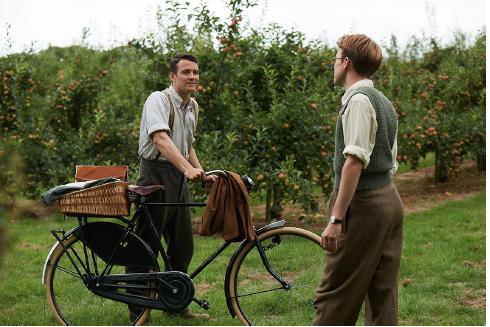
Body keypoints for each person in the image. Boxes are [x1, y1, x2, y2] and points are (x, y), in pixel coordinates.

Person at [314, 34, 404, 325]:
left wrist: (336, 219)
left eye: (336, 58)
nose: (333, 64)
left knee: (336, 291)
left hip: (364, 204)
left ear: (347, 62)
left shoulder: (358, 101)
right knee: (382, 293)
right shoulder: (385, 103)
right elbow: (389, 159)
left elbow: (354, 162)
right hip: (389, 199)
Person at [128, 53, 215, 321]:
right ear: (172, 76)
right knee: (145, 246)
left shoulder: (193, 107)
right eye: (187, 72)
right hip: (154, 176)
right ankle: (138, 312)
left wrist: (201, 171)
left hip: (178, 178)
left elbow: (186, 144)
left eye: (196, 72)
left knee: (182, 246)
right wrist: (187, 169)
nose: (192, 77)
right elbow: (161, 139)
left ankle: (174, 304)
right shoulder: (159, 100)